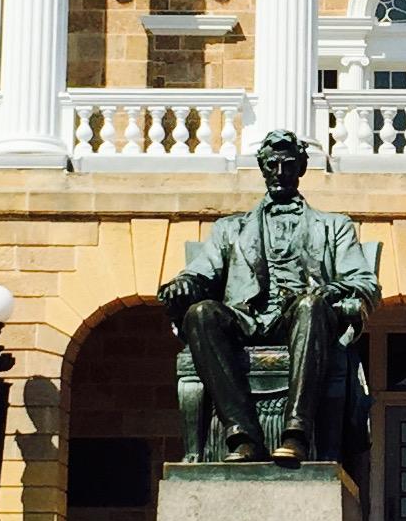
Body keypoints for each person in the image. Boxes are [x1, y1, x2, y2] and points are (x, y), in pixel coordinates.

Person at [159, 130, 377, 464]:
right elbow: (202, 271)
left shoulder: (334, 226)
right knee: (201, 313)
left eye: (288, 165)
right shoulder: (230, 228)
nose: (279, 173)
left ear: (301, 168)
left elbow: (364, 282)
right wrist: (183, 283)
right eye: (272, 165)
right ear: (262, 168)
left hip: (301, 320)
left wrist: (329, 290)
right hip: (246, 318)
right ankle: (242, 435)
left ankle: (296, 433)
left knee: (310, 305)